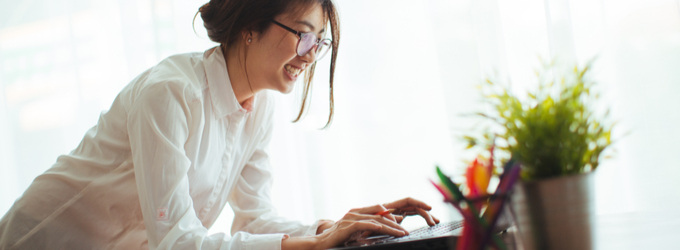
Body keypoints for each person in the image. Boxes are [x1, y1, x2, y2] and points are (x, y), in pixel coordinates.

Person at [0, 0, 440, 249]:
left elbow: (254, 216)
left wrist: (331, 228)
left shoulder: (259, 108)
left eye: (319, 41)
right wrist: (309, 246)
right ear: (251, 25)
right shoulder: (170, 93)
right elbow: (177, 241)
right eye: (303, 34)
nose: (310, 54)